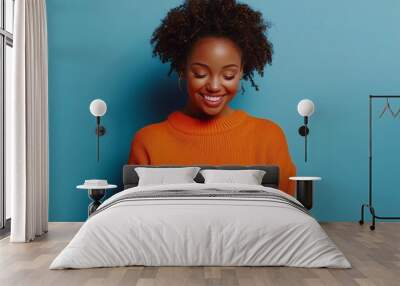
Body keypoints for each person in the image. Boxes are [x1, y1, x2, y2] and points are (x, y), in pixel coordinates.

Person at [128, 0, 296, 195]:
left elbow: (287, 214)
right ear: (183, 69)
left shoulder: (269, 138)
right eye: (200, 73)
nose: (215, 87)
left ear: (242, 71)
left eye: (228, 75)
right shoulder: (148, 142)